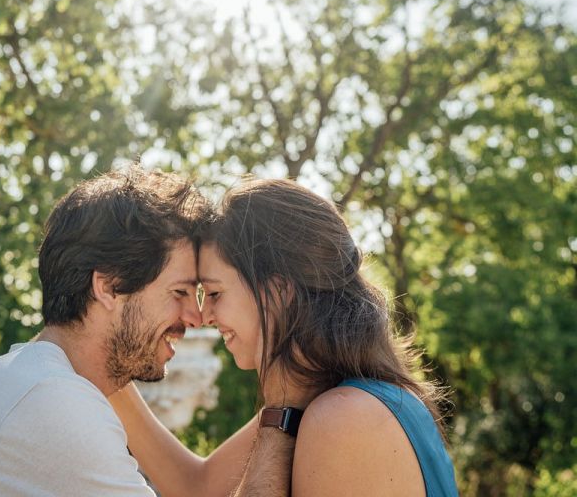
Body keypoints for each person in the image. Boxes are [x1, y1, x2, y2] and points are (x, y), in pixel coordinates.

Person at [110, 178, 459, 496]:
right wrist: (105, 356)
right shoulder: (324, 399)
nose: (204, 317)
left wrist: (278, 414)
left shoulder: (344, 419)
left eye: (214, 294)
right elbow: (198, 486)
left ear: (278, 292)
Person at [0, 167, 214, 495]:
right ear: (109, 287)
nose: (196, 317)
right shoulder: (54, 401)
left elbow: (193, 484)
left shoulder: (17, 377)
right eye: (180, 292)